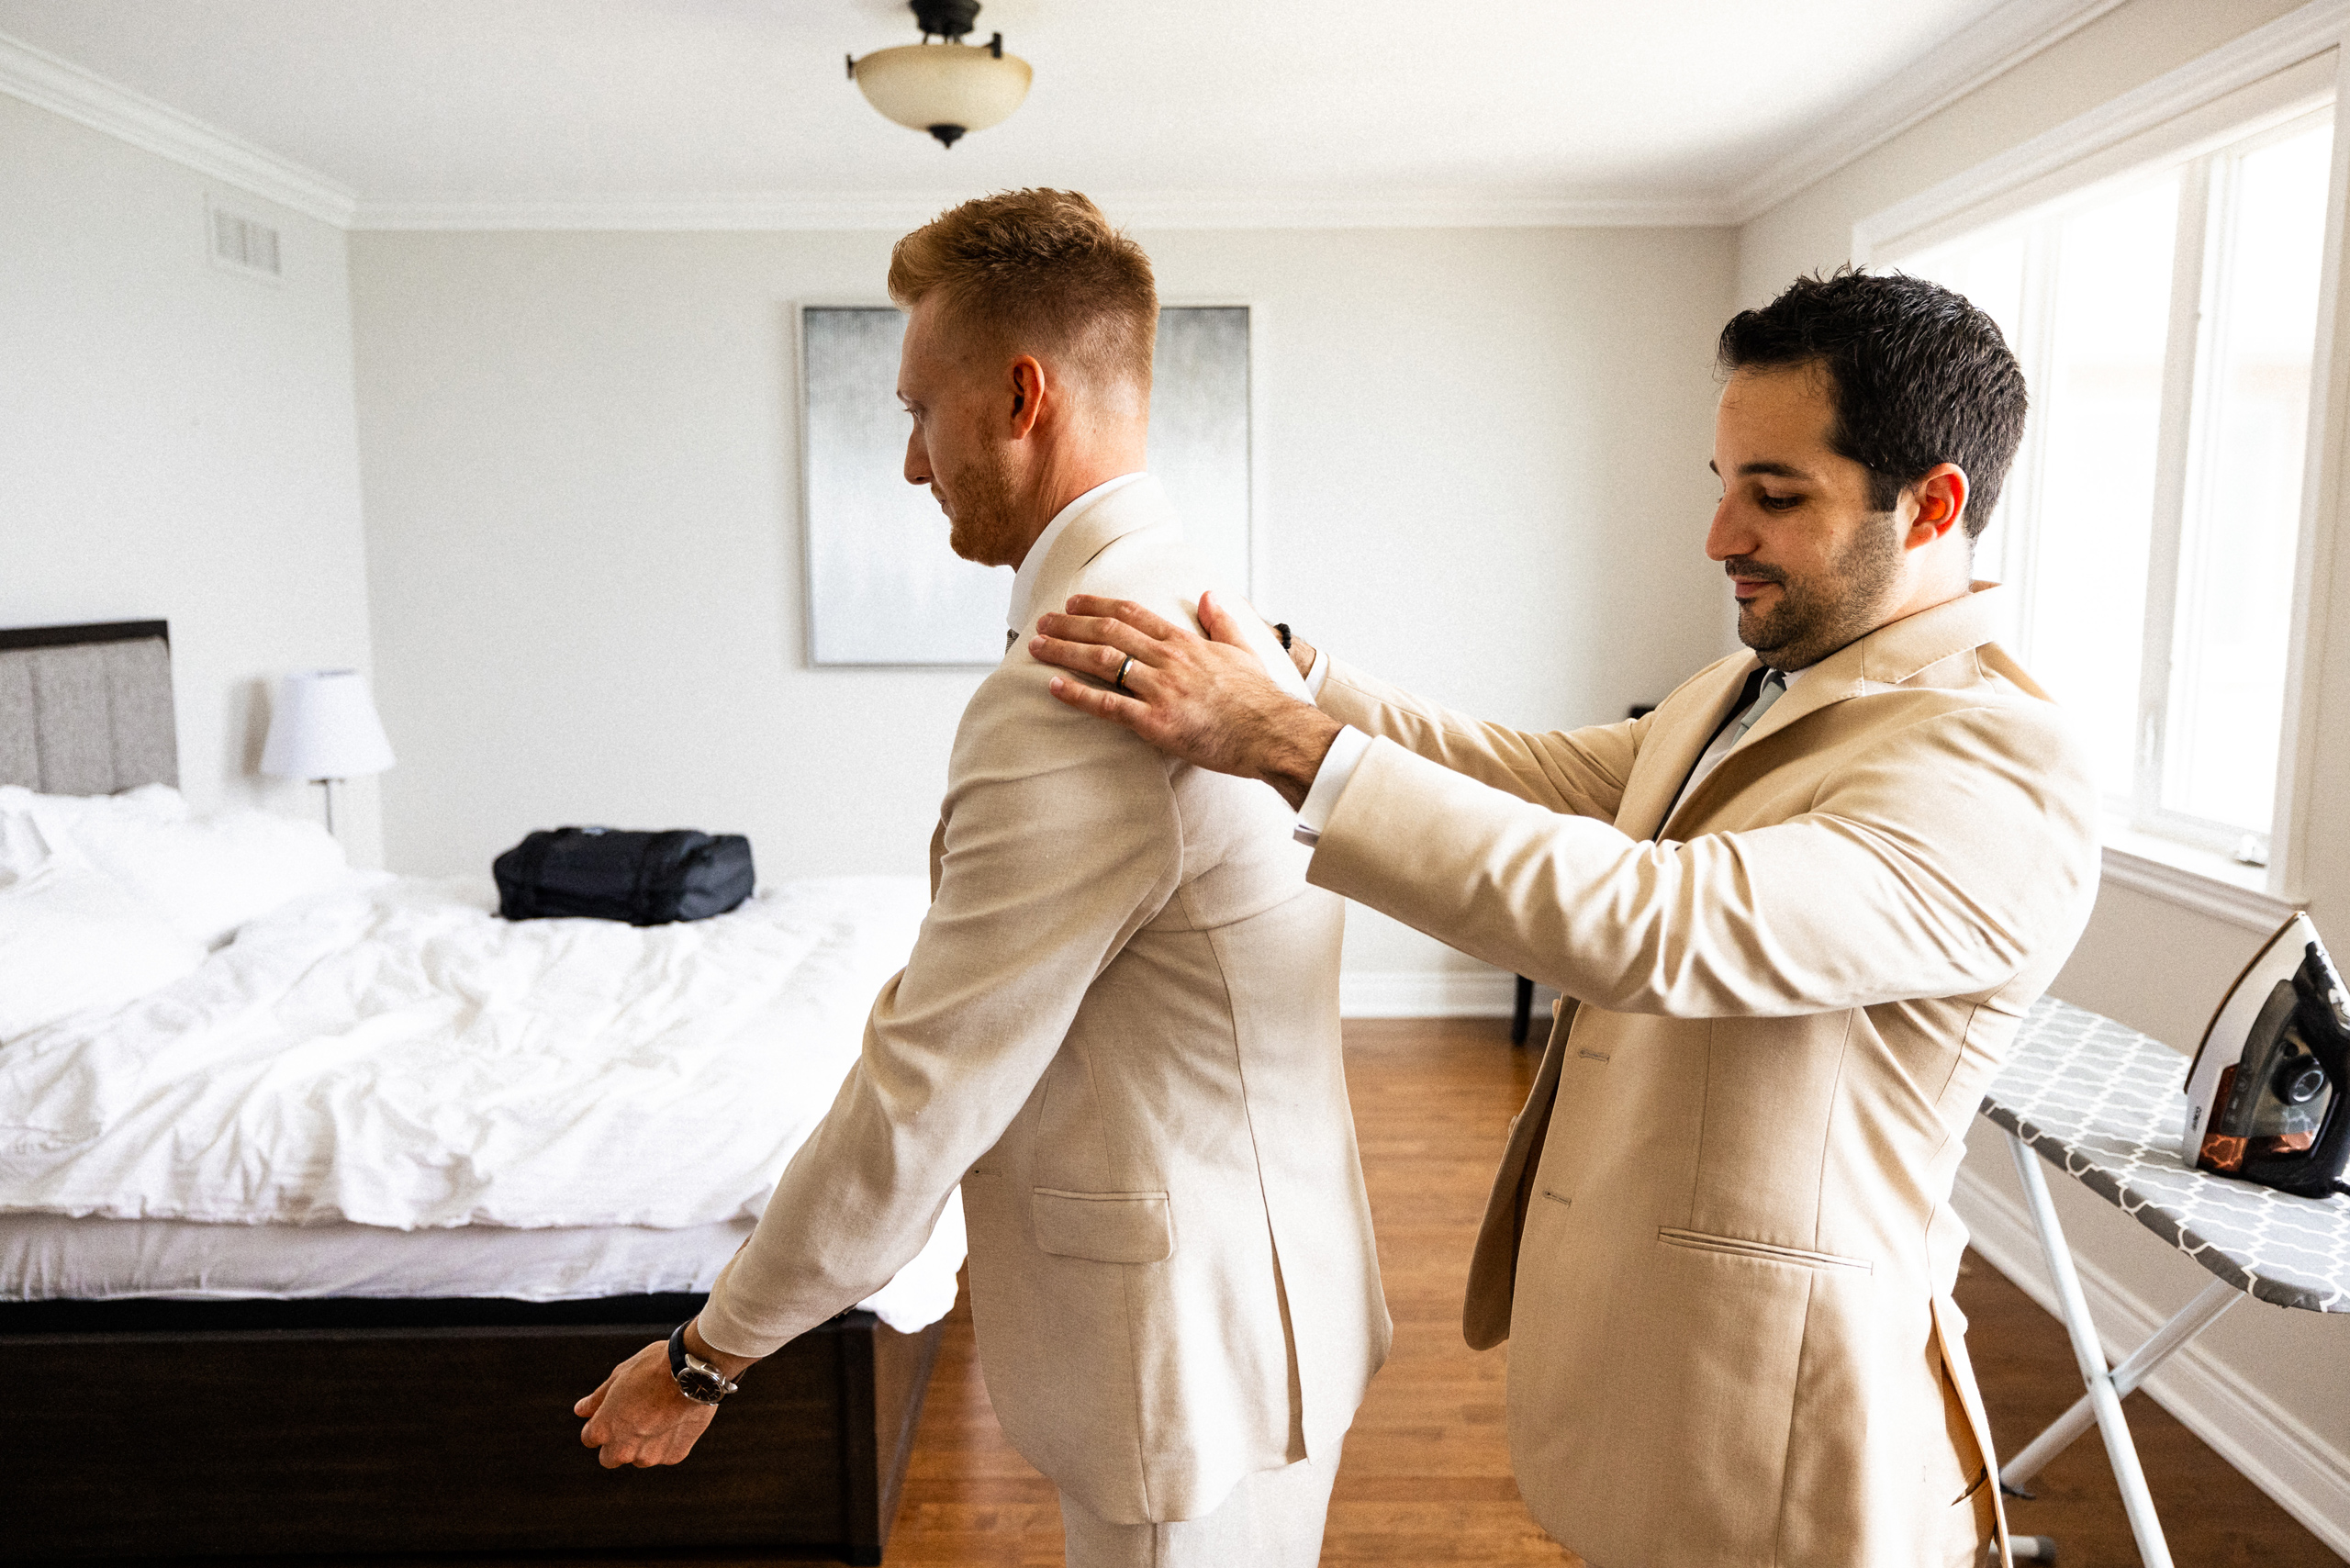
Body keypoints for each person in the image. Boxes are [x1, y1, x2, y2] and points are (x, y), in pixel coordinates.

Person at [1027, 268, 2100, 1568]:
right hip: (1659, 1378)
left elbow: (1660, 924)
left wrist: (1288, 746)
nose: (1719, 536)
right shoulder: (1758, 680)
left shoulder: (1998, 765)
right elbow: (1543, 777)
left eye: (1775, 497)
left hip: (1787, 1430)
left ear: (1932, 506)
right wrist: (1291, 669)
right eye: (1721, 483)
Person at [571, 188, 1390, 1568]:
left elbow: (927, 1086)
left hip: (1177, 1360)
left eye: (918, 411)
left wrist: (708, 1353)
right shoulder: (1210, 604)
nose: (908, 464)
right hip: (1275, 1301)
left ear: (1021, 396)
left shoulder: (1078, 683)